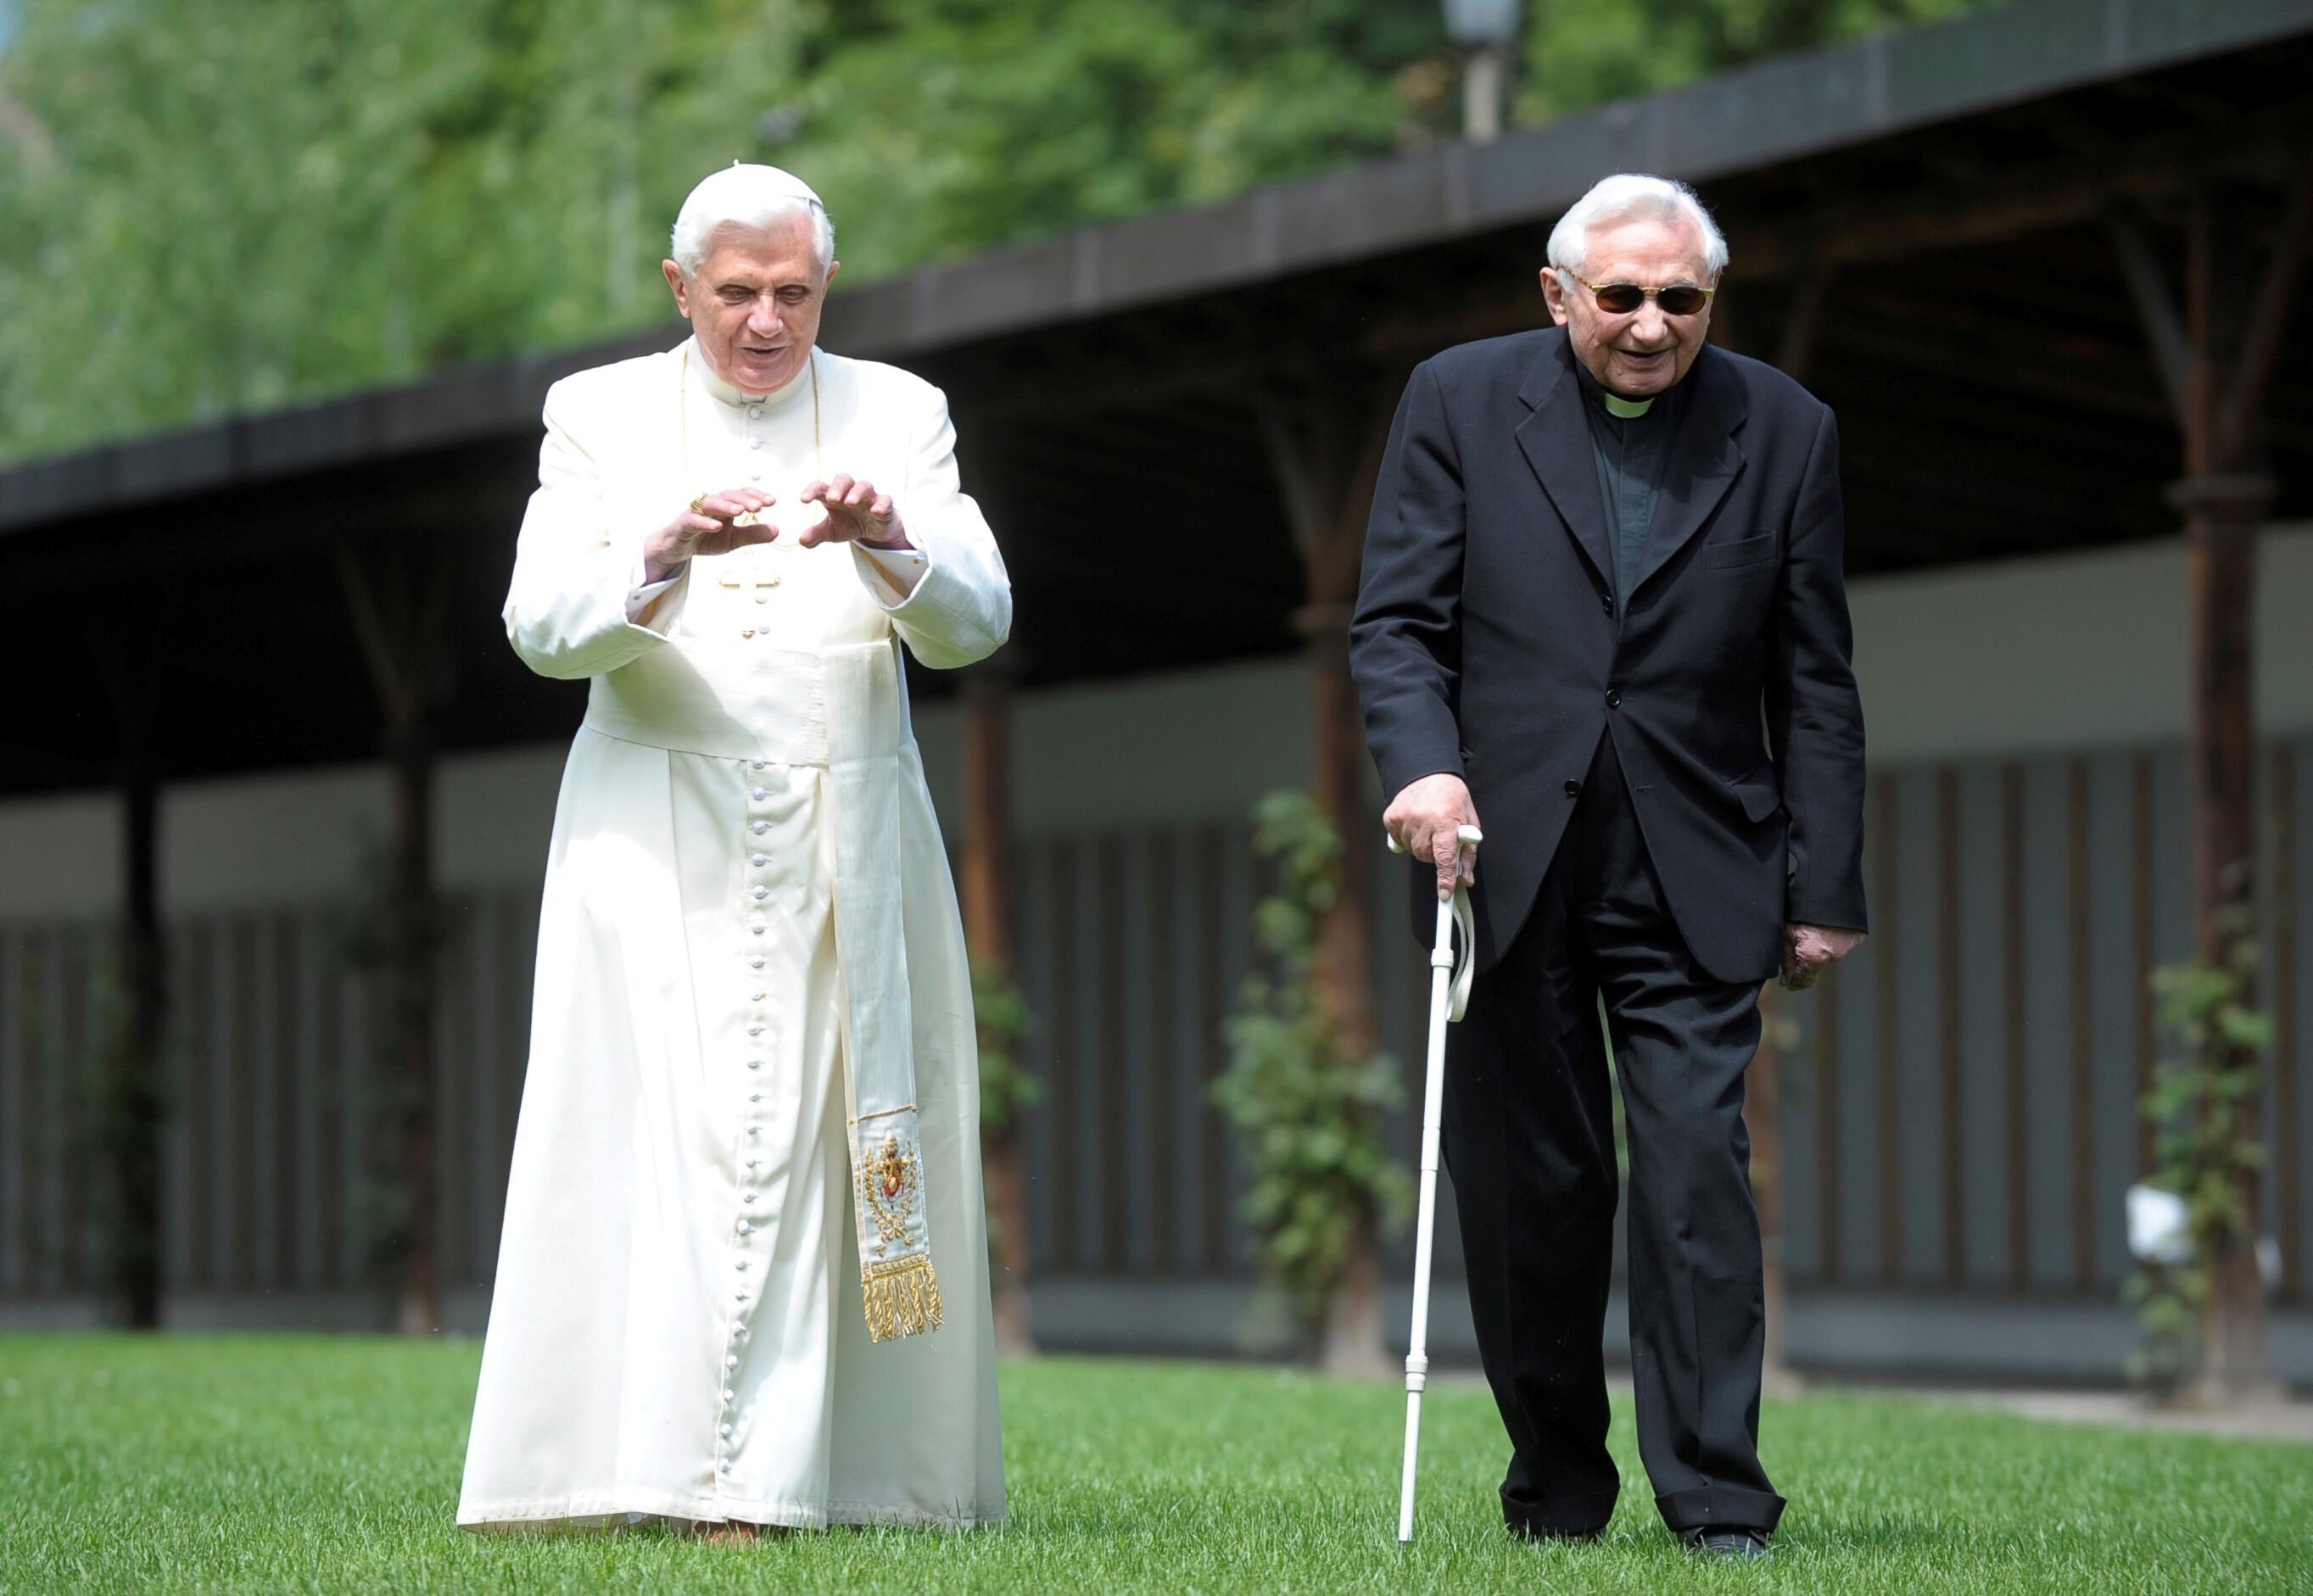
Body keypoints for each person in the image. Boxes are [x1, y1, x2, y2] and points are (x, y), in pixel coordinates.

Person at [458, 164, 1009, 1536]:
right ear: (678, 288)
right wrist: (656, 554)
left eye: (796, 294)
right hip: (656, 840)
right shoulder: (595, 414)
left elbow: (984, 616)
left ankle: (821, 1482)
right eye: (738, 294)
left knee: (822, 1146)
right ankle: (644, 1470)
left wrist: (891, 540)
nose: (767, 324)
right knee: (670, 1151)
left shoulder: (903, 410)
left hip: (851, 835)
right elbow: (539, 625)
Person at [1350, 172, 1867, 1560]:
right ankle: (1558, 1485)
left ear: (1712, 302)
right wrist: (1421, 768)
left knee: (1698, 1171)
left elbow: (1815, 677)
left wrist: (1824, 887)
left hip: (1699, 861)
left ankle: (1718, 1501)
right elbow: (1397, 623)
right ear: (1557, 293)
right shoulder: (1456, 399)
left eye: (1680, 300)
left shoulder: (1788, 427)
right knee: (1536, 1187)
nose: (1651, 325)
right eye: (1623, 296)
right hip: (1498, 855)